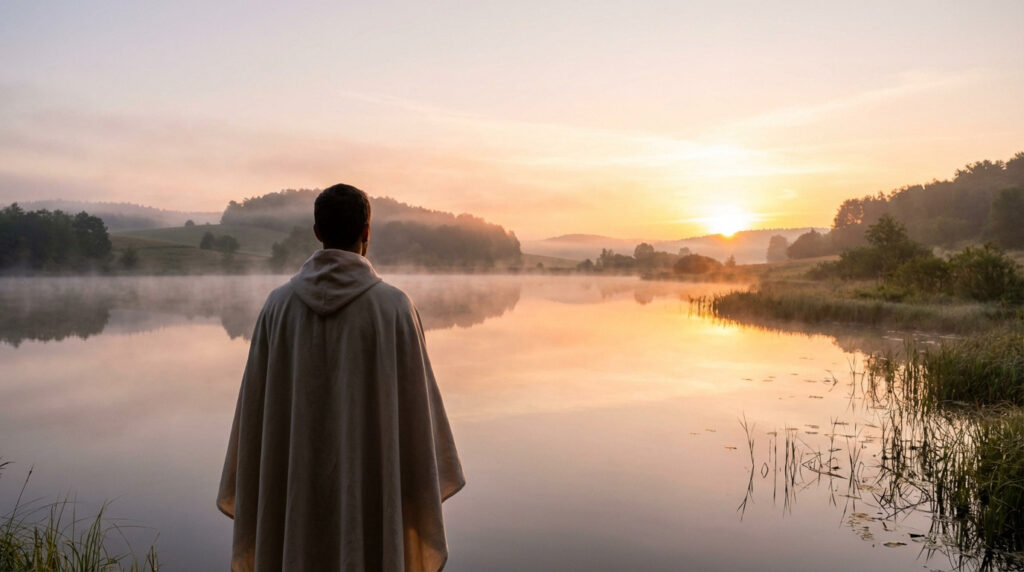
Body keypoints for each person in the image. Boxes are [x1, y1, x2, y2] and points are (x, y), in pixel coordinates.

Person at [217, 184, 465, 572]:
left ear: (317, 232)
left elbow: (255, 428)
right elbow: (419, 437)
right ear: (367, 232)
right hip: (371, 497)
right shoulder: (394, 310)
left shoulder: (277, 309)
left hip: (293, 501)